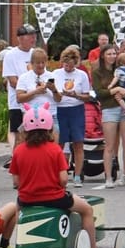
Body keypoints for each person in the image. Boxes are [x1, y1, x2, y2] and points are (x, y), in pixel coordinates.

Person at [10, 104, 99, 248]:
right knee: (87, 210)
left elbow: (16, 182)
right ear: (50, 128)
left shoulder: (18, 151)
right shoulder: (55, 150)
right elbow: (63, 180)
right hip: (54, 197)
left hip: (27, 198)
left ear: (25, 129)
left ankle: (15, 244)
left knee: (15, 212)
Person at [91, 45, 125, 185]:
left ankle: (124, 175)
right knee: (110, 145)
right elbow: (99, 93)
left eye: (114, 53)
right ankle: (109, 177)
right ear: (103, 55)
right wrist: (115, 89)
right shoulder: (97, 72)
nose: (112, 56)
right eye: (109, 53)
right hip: (109, 108)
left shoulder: (122, 68)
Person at [51, 47, 93, 181]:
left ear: (76, 63)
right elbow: (52, 91)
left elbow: (87, 96)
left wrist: (76, 95)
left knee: (78, 143)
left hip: (76, 110)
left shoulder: (81, 75)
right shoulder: (56, 74)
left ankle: (77, 175)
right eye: (66, 64)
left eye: (71, 65)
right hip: (60, 109)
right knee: (59, 144)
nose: (68, 67)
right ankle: (59, 174)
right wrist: (57, 93)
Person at [1, 23, 38, 144]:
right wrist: (32, 91)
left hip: (35, 103)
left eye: (34, 35)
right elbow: (12, 81)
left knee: (35, 136)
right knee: (20, 137)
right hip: (18, 103)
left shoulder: (36, 53)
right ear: (20, 38)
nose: (34, 38)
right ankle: (17, 161)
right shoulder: (11, 55)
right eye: (30, 35)